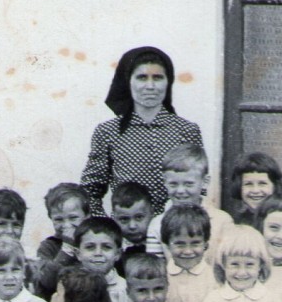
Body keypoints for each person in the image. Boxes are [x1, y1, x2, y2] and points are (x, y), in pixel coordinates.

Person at [81, 46, 203, 216]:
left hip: (174, 228)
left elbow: (199, 187)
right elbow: (90, 190)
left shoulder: (187, 130)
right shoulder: (108, 132)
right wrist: (107, 226)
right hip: (127, 228)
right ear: (128, 81)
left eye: (158, 78)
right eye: (142, 77)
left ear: (168, 82)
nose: (150, 86)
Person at [145, 143, 234, 262]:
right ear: (165, 182)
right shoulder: (157, 225)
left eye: (188, 184)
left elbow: (229, 262)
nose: (180, 191)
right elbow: (155, 268)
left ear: (205, 181)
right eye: (173, 184)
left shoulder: (222, 221)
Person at [50, 217, 131, 302]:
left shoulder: (125, 290)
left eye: (106, 247)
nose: (98, 253)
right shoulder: (68, 287)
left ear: (117, 254)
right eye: (90, 247)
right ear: (78, 253)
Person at [33, 183, 91, 300]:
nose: (66, 225)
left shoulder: (94, 243)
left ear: (87, 216)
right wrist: (67, 249)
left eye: (73, 218)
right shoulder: (48, 247)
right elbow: (47, 281)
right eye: (59, 219)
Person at [228, 151, 282, 226]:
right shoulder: (235, 224)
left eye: (262, 183)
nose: (255, 190)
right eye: (248, 184)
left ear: (275, 186)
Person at [110, 181, 153, 250]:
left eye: (139, 217)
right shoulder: (112, 247)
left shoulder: (161, 241)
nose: (132, 226)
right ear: (114, 217)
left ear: (151, 213)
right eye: (124, 219)